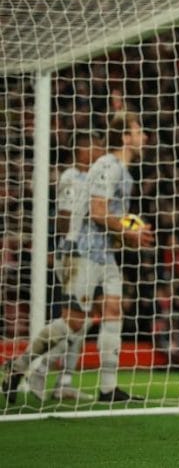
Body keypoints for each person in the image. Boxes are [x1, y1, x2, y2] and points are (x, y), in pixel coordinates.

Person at [3, 111, 154, 403]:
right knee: (73, 322)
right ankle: (19, 366)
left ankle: (108, 388)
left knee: (113, 311)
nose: (144, 137)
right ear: (125, 137)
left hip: (104, 254)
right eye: (138, 132)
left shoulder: (125, 173)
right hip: (82, 250)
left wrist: (129, 237)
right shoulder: (108, 166)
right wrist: (128, 232)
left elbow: (109, 220)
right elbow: (97, 212)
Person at [25, 132, 105, 402]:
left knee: (83, 322)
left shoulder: (90, 179)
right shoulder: (72, 178)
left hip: (89, 255)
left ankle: (65, 382)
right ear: (82, 150)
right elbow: (62, 219)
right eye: (96, 147)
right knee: (74, 321)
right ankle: (39, 370)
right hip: (74, 255)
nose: (100, 152)